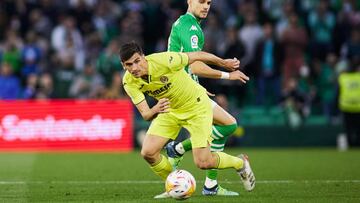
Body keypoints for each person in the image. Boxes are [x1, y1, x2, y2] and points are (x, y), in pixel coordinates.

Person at [120, 41, 255, 199]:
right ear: (124, 65)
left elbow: (197, 56)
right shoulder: (129, 81)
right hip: (168, 110)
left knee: (203, 162)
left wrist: (223, 63)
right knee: (148, 152)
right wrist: (155, 109)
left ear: (143, 57)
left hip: (195, 107)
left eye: (137, 61)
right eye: (129, 65)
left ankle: (240, 163)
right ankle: (176, 184)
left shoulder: (164, 60)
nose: (134, 68)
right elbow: (146, 114)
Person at [165, 0, 250, 196]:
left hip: (186, 90)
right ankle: (207, 178)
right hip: (185, 95)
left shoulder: (183, 23)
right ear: (189, 1)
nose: (205, 6)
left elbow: (187, 65)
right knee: (227, 126)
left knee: (226, 126)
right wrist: (228, 74)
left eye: (209, 2)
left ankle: (181, 152)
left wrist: (196, 85)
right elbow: (194, 65)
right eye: (201, 1)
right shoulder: (191, 27)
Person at [338, 57, 360, 147]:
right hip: (358, 107)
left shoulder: (343, 78)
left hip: (346, 107)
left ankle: (350, 145)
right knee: (358, 129)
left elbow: (338, 92)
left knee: (348, 129)